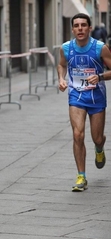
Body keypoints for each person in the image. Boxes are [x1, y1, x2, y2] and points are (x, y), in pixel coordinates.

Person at [57, 13, 111, 192]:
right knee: (78, 135)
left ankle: (99, 148)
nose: (80, 29)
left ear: (89, 28)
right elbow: (62, 64)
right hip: (76, 96)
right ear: (72, 29)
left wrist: (101, 76)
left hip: (96, 98)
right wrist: (61, 79)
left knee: (97, 138)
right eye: (77, 26)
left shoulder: (100, 48)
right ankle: (81, 176)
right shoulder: (65, 48)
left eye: (83, 25)